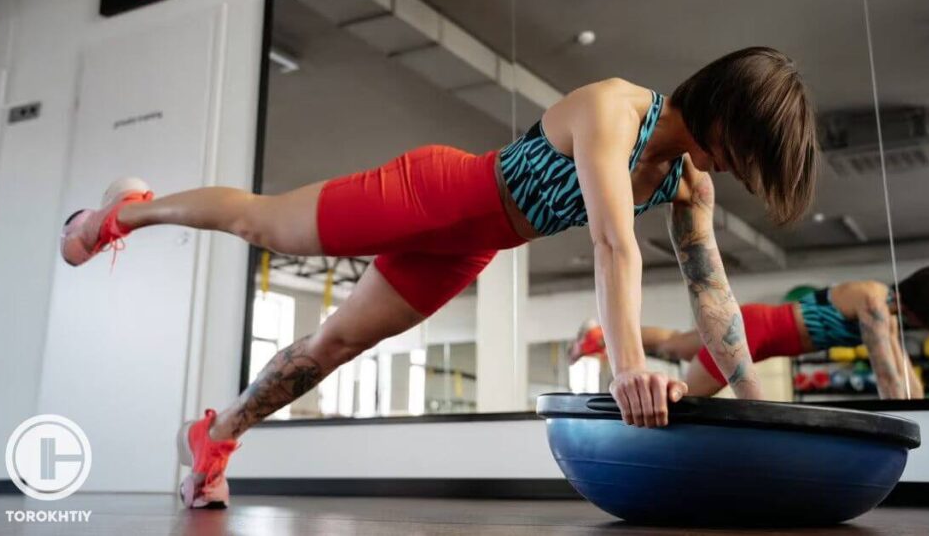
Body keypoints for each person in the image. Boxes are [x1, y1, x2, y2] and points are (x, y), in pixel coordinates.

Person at [59, 47, 818, 508]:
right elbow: (614, 243)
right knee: (265, 224)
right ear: (726, 107)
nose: (740, 172)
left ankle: (215, 436)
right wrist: (627, 370)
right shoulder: (616, 109)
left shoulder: (691, 183)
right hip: (442, 190)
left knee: (331, 347)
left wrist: (760, 410)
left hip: (470, 247)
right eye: (747, 151)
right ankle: (127, 213)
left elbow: (713, 292)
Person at [568, 265, 929, 399]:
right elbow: (890, 378)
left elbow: (903, 369)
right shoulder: (874, 303)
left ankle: (596, 335)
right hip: (749, 335)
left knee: (675, 343)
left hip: (753, 324)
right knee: (686, 401)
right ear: (928, 308)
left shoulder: (887, 311)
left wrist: (923, 409)